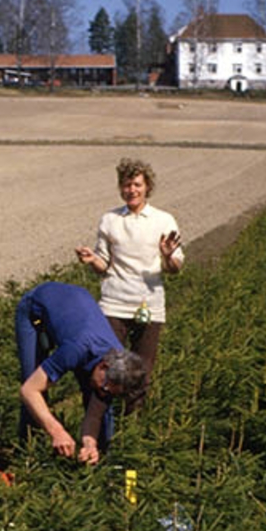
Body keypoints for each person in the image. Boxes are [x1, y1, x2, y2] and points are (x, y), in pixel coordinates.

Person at [75, 158, 184, 412]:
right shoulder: (109, 220)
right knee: (106, 367)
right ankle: (102, 423)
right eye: (126, 185)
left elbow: (175, 268)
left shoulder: (163, 220)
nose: (131, 190)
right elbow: (105, 264)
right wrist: (93, 260)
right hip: (114, 304)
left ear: (147, 187)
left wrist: (167, 255)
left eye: (136, 184)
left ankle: (133, 427)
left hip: (150, 305)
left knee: (141, 370)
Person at [15, 281, 147, 465]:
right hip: (37, 309)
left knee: (100, 404)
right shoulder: (77, 349)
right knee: (35, 387)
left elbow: (95, 412)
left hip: (77, 308)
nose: (104, 392)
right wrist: (57, 431)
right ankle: (27, 459)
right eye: (105, 387)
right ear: (103, 366)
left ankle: (99, 460)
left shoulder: (115, 371)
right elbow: (29, 390)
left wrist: (89, 443)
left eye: (110, 392)